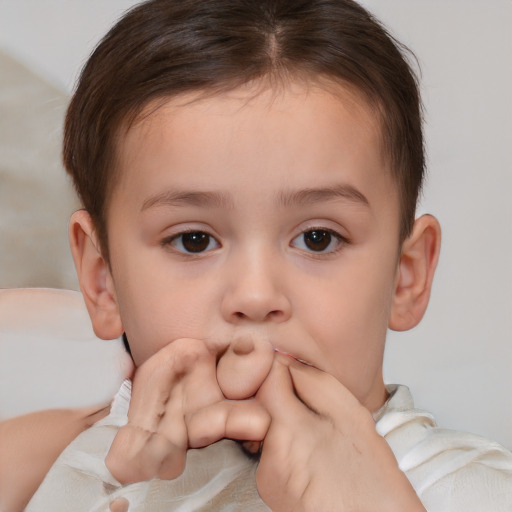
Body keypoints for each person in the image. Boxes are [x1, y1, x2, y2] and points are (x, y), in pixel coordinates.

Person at [0, 0, 511, 510]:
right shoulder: (60, 469)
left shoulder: (472, 492)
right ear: (102, 280)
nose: (256, 296)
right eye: (193, 240)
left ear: (407, 277)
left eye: (318, 238)